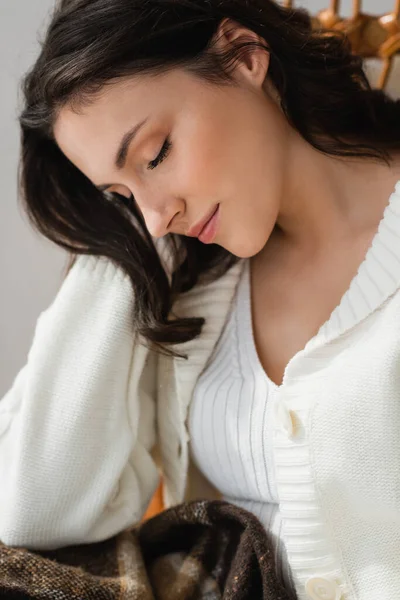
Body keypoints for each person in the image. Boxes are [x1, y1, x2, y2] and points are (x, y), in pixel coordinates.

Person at [2, 0, 400, 597]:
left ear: (244, 55)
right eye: (120, 194)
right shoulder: (192, 286)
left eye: (157, 152)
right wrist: (125, 243)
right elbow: (32, 507)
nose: (158, 219)